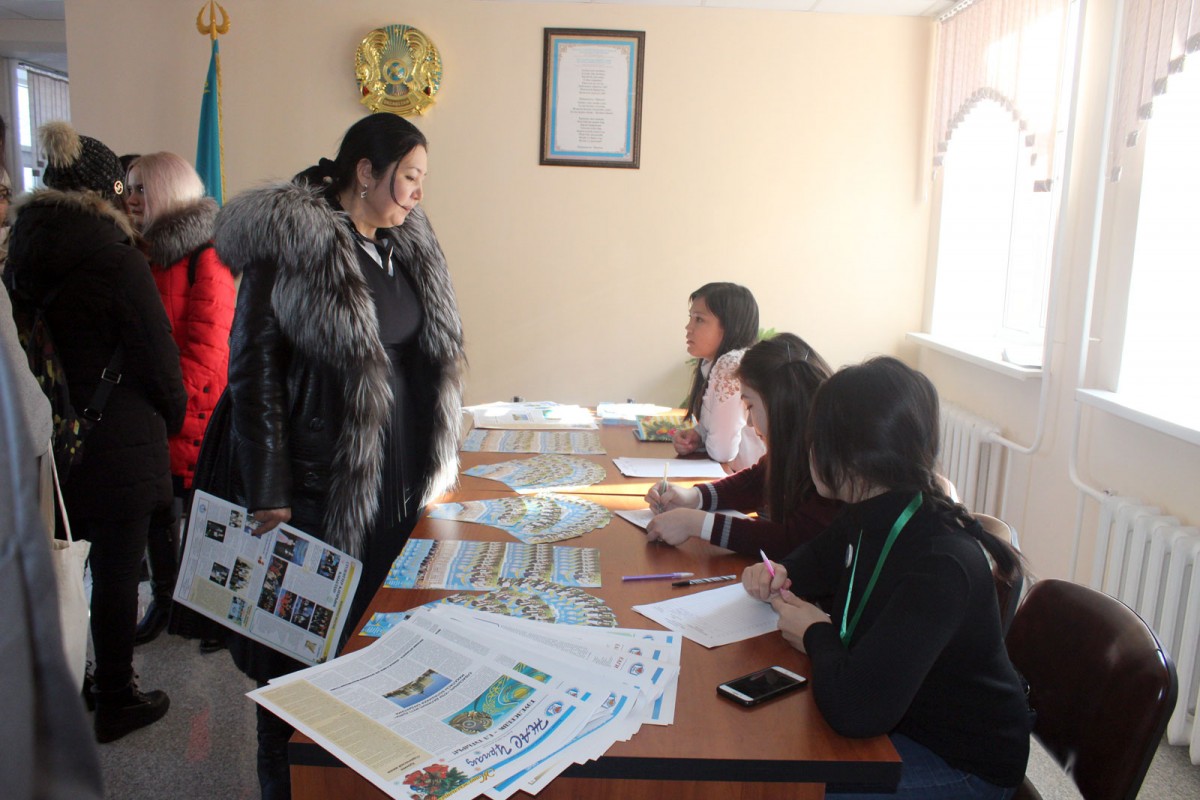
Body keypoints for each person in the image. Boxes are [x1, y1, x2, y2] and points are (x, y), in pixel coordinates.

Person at [207, 113, 466, 799]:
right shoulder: (294, 246)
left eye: (422, 179)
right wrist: (269, 486)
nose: (418, 193)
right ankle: (284, 783)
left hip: (395, 477)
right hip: (318, 480)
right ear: (366, 171)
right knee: (294, 656)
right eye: (409, 177)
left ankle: (353, 779)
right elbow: (253, 369)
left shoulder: (403, 244)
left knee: (371, 641)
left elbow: (423, 359)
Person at [742, 356, 1031, 799]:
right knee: (765, 756)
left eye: (815, 439)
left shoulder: (940, 563)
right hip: (895, 717)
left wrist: (817, 633)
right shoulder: (870, 508)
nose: (808, 450)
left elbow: (855, 712)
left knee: (785, 789)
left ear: (852, 454)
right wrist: (779, 573)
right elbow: (813, 561)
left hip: (961, 764)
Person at [4, 121, 187, 742]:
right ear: (104, 194)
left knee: (68, 565)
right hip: (118, 436)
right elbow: (159, 358)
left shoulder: (20, 251)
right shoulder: (115, 258)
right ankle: (115, 696)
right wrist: (175, 415)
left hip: (49, 437)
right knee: (115, 571)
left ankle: (74, 678)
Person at [123, 152, 238, 647]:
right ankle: (167, 601)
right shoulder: (138, 253)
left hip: (194, 414)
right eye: (128, 188)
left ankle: (213, 616)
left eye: (141, 188)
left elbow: (209, 351)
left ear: (167, 191)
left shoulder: (205, 255)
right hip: (155, 411)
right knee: (158, 516)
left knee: (206, 520)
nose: (130, 198)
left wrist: (167, 403)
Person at [644, 333, 842, 559]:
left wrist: (698, 524)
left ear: (779, 407)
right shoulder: (797, 445)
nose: (748, 422)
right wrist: (694, 497)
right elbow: (757, 481)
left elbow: (791, 541)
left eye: (749, 406)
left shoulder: (828, 463)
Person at [672, 282, 765, 472]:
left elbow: (722, 452)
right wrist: (698, 435)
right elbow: (717, 430)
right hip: (740, 475)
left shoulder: (731, 364)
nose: (688, 327)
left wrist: (704, 437)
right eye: (691, 318)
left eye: (699, 319)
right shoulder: (713, 363)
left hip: (751, 481)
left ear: (730, 326)